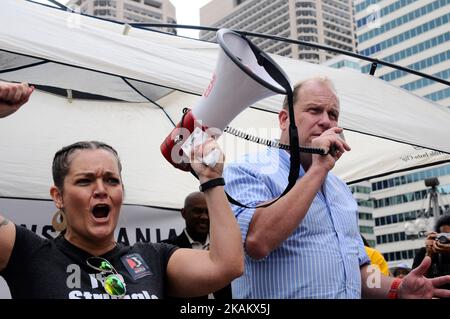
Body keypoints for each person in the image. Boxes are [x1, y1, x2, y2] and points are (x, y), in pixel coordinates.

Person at [0, 88, 243, 298]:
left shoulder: (152, 259)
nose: (101, 190)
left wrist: (211, 179)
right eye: (85, 181)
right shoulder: (28, 253)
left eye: (111, 180)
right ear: (58, 196)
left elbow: (226, 265)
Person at [224, 76, 450, 299]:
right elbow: (257, 241)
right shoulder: (248, 169)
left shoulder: (340, 190)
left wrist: (396, 288)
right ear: (284, 120)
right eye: (314, 110)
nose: (326, 121)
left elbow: (360, 271)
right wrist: (318, 170)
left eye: (332, 114)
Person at [162, 192, 232, 299]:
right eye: (198, 211)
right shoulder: (167, 249)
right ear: (184, 213)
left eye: (208, 212)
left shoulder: (225, 248)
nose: (204, 217)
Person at [412, 214, 450, 289]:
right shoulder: (424, 252)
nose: (448, 239)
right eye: (445, 235)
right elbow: (415, 282)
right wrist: (429, 254)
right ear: (437, 236)